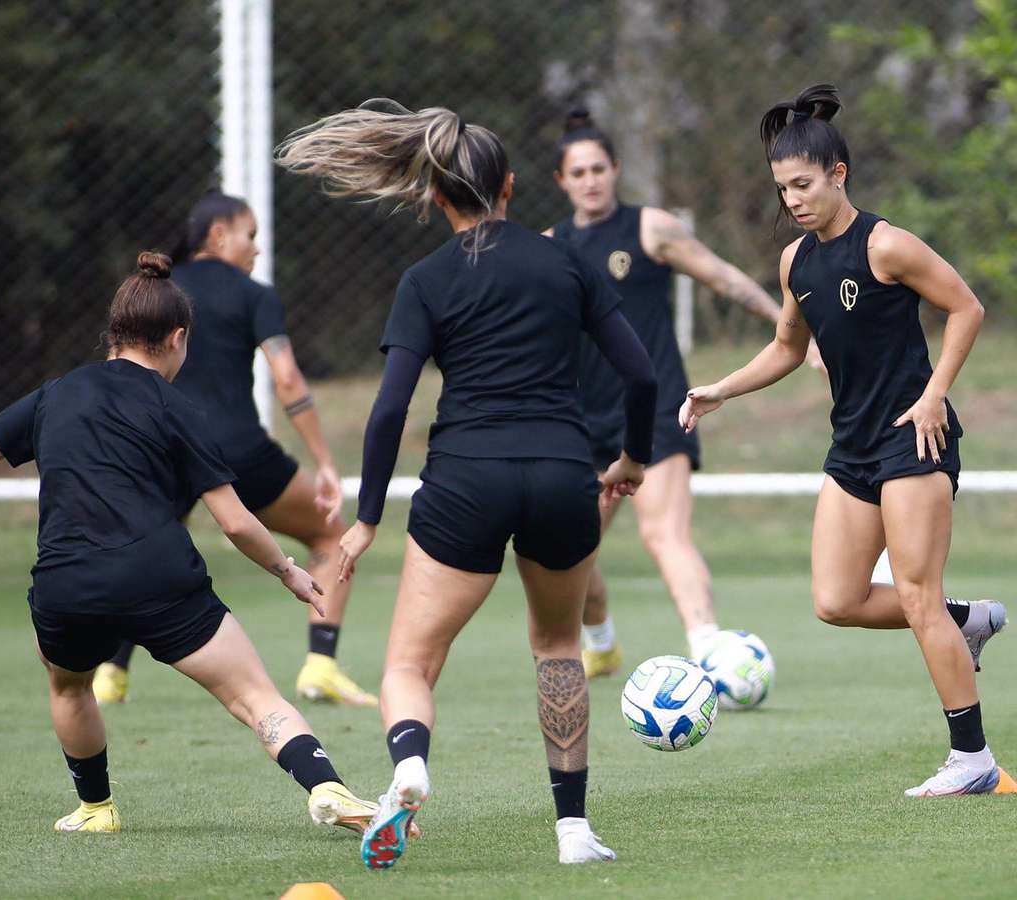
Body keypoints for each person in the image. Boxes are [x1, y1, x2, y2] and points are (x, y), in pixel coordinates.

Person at [276, 99, 659, 867]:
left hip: (465, 481)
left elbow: (389, 411)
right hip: (560, 473)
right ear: (511, 186)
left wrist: (368, 519)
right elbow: (641, 374)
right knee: (557, 645)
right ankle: (574, 832)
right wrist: (634, 461)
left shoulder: (425, 278)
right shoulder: (565, 261)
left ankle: (410, 768)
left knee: (410, 664)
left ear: (434, 196)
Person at [0, 252, 379, 833]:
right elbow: (234, 523)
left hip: (66, 584)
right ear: (177, 339)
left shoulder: (54, 394)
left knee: (69, 685)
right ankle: (330, 788)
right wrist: (288, 572)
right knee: (255, 697)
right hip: (158, 576)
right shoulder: (177, 407)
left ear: (114, 333)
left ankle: (96, 808)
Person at [679, 84, 1008, 796]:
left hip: (914, 440)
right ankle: (969, 621)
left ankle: (973, 761)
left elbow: (966, 308)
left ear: (838, 174)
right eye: (782, 188)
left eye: (803, 184)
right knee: (836, 600)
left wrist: (933, 395)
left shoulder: (887, 244)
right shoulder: (797, 262)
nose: (792, 199)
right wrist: (721, 390)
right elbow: (786, 349)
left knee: (917, 596)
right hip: (853, 447)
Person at [547, 108, 824, 677]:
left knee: (663, 533)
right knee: (569, 552)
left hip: (656, 408)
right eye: (578, 173)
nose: (590, 180)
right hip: (582, 420)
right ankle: (599, 641)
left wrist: (796, 330)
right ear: (562, 181)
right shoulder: (550, 248)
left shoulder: (650, 228)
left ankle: (710, 651)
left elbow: (724, 277)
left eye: (599, 168)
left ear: (615, 169)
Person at [92, 193, 376, 708]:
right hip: (237, 450)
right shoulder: (253, 294)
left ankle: (110, 675)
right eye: (250, 235)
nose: (257, 249)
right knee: (331, 532)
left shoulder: (159, 290)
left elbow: (120, 363)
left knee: (144, 549)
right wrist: (326, 462)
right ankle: (321, 665)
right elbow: (287, 379)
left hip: (162, 445)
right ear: (219, 235)